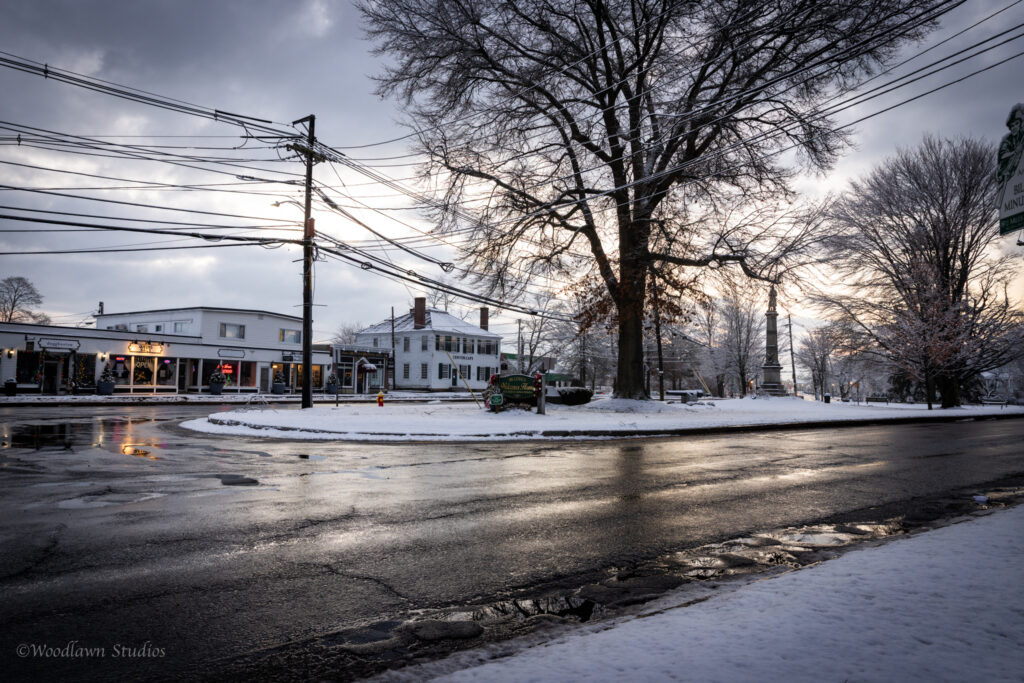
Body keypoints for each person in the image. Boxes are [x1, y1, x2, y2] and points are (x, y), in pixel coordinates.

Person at [997, 103, 1024, 201]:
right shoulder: (1007, 140)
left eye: (1016, 124)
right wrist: (1014, 152)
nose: (1014, 127)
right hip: (1006, 172)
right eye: (1012, 126)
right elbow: (1002, 155)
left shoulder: (1022, 136)